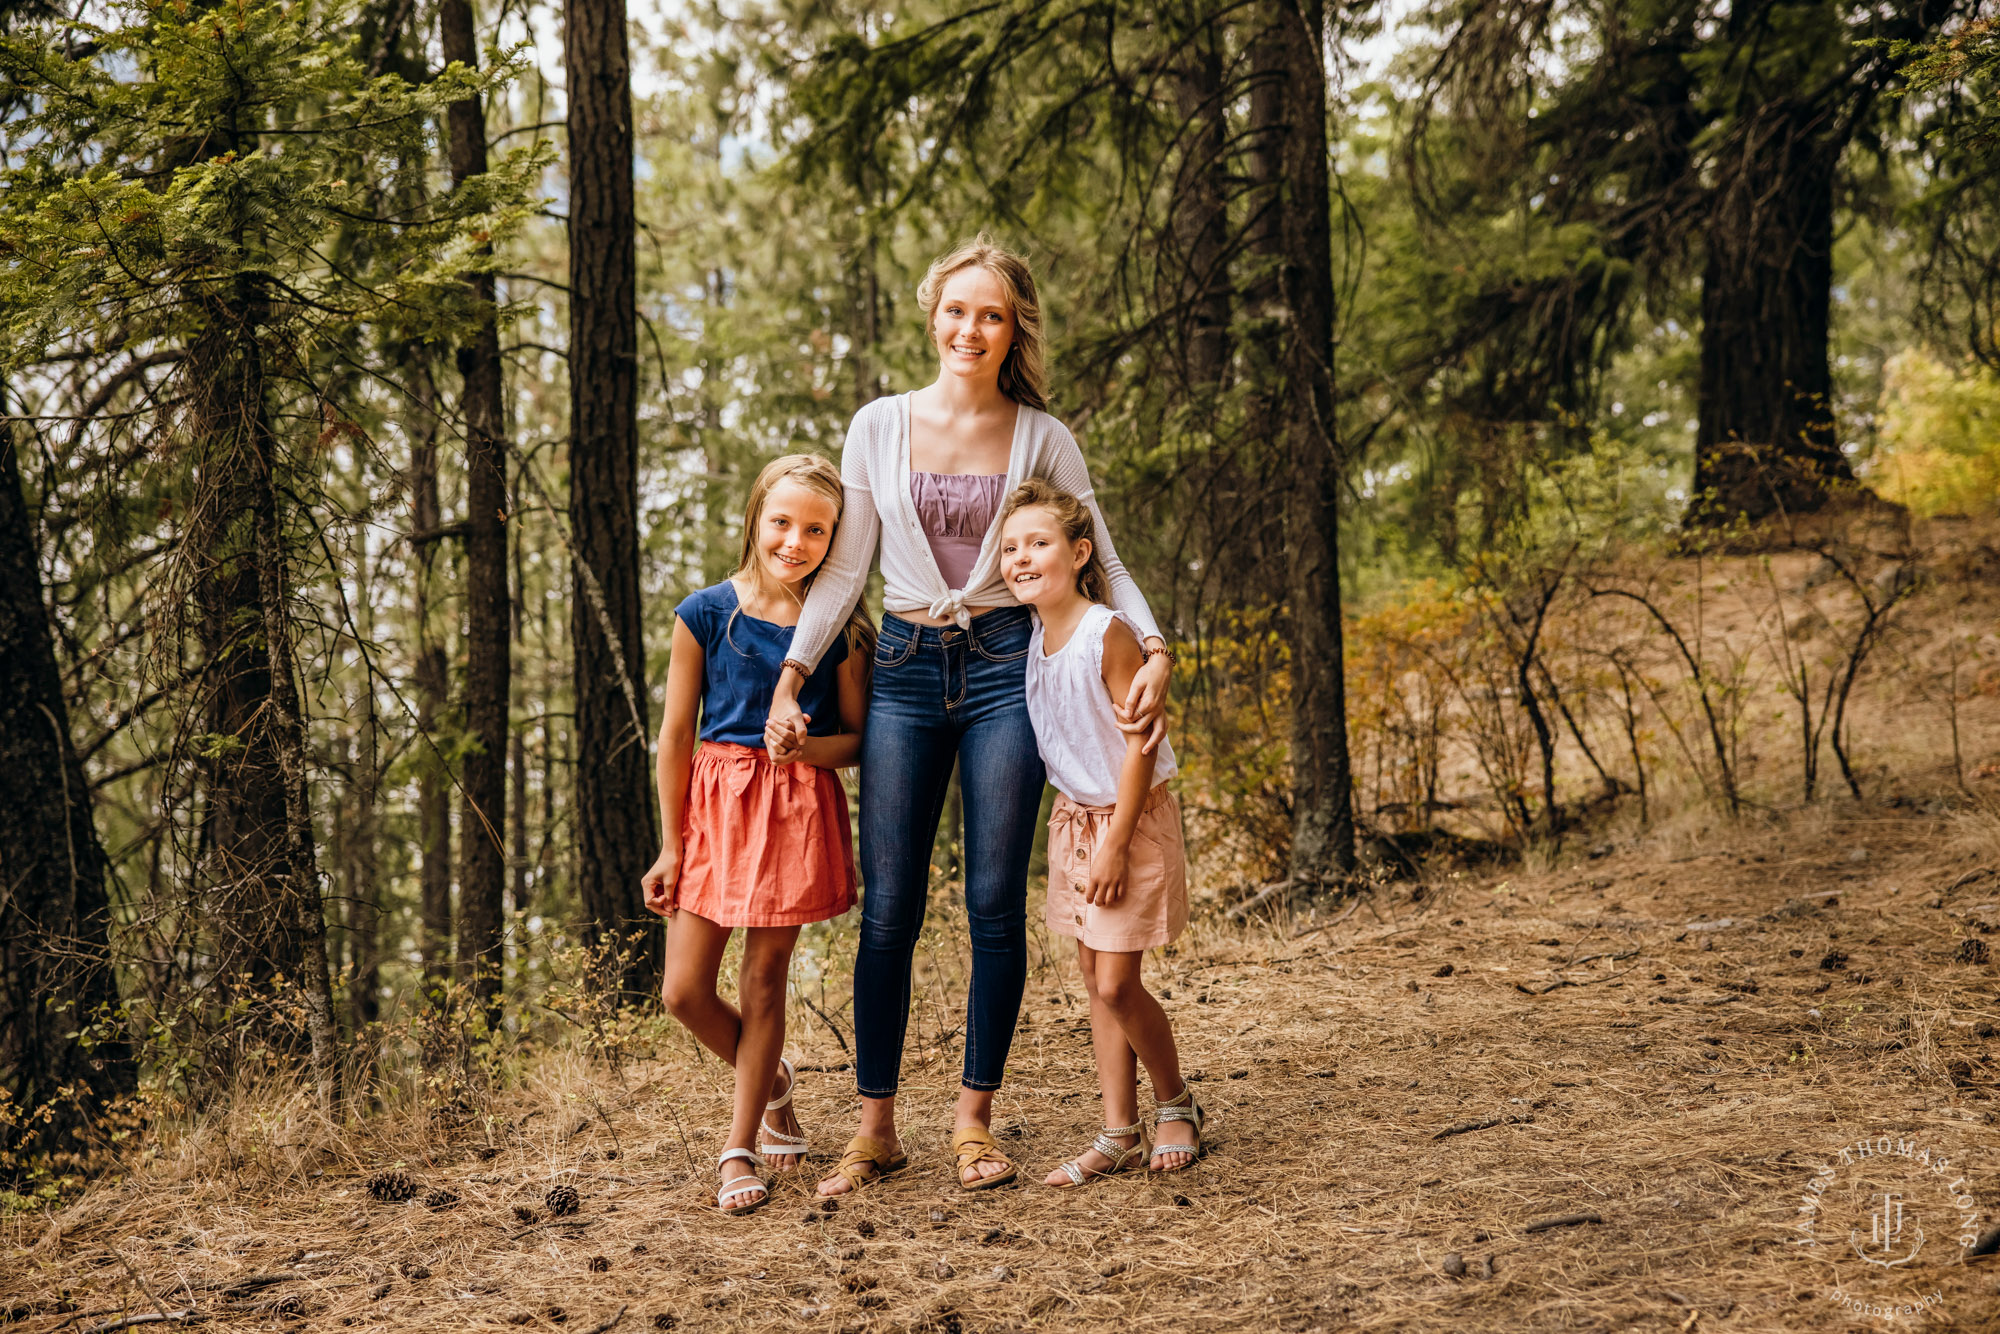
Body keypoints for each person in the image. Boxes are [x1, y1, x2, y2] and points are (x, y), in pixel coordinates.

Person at [763, 236, 1174, 1197]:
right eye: (957, 310)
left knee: (994, 902)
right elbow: (843, 572)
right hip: (903, 669)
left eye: (991, 314)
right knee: (892, 909)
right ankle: (876, 1130)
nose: (971, 329)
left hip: (1003, 672)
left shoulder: (1044, 438)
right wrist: (792, 674)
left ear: (1011, 328)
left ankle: (973, 1123)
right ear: (932, 314)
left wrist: (1154, 648)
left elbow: (1101, 561)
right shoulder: (879, 426)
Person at [642, 454, 873, 1217]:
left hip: (794, 809)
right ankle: (771, 1079)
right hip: (713, 807)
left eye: (816, 530)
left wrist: (805, 748)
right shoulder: (705, 612)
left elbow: (858, 741)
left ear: (836, 541)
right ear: (755, 519)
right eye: (782, 522)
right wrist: (672, 844)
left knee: (764, 980)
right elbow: (675, 736)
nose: (794, 541)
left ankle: (739, 1149)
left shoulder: (840, 630)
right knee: (682, 991)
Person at [995, 479, 1202, 1185]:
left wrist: (1115, 843)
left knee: (1116, 983)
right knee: (1092, 975)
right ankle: (1119, 1131)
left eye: (1040, 543)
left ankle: (1176, 1103)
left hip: (1128, 821)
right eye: (1010, 547)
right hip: (1076, 819)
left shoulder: (1104, 632)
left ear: (1081, 552)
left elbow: (1139, 744)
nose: (1022, 557)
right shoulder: (1034, 631)